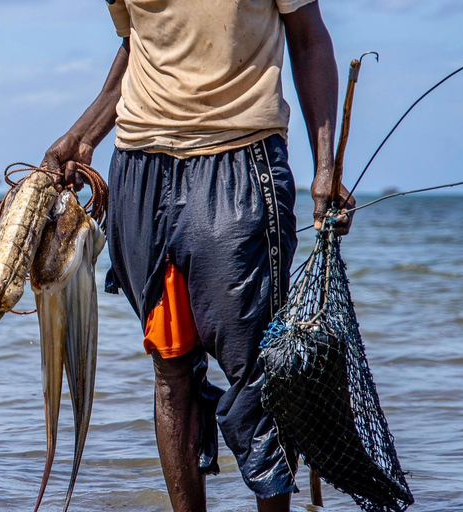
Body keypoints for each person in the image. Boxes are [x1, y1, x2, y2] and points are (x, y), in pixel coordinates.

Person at [42, 1, 355, 510]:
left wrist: (327, 168)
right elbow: (137, 46)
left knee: (256, 371)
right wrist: (82, 135)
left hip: (239, 157)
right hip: (141, 168)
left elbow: (309, 39)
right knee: (171, 367)